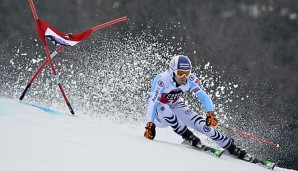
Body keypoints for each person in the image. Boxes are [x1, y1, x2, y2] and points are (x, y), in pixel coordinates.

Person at [144, 55, 251, 161]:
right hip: (159, 114)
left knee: (202, 124)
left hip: (175, 105)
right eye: (180, 73)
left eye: (187, 73)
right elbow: (152, 103)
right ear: (172, 71)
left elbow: (203, 96)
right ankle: (187, 136)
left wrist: (210, 113)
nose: (184, 77)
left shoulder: (190, 79)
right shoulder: (162, 80)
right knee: (164, 108)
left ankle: (231, 146)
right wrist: (150, 125)